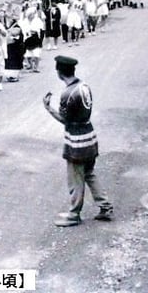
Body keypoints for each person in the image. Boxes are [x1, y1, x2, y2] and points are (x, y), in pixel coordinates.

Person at [43, 55, 113, 227]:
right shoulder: (84, 86)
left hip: (76, 142)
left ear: (59, 72)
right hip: (90, 136)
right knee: (89, 173)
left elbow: (64, 120)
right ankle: (105, 206)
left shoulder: (67, 94)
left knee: (75, 178)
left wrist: (48, 108)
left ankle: (74, 214)